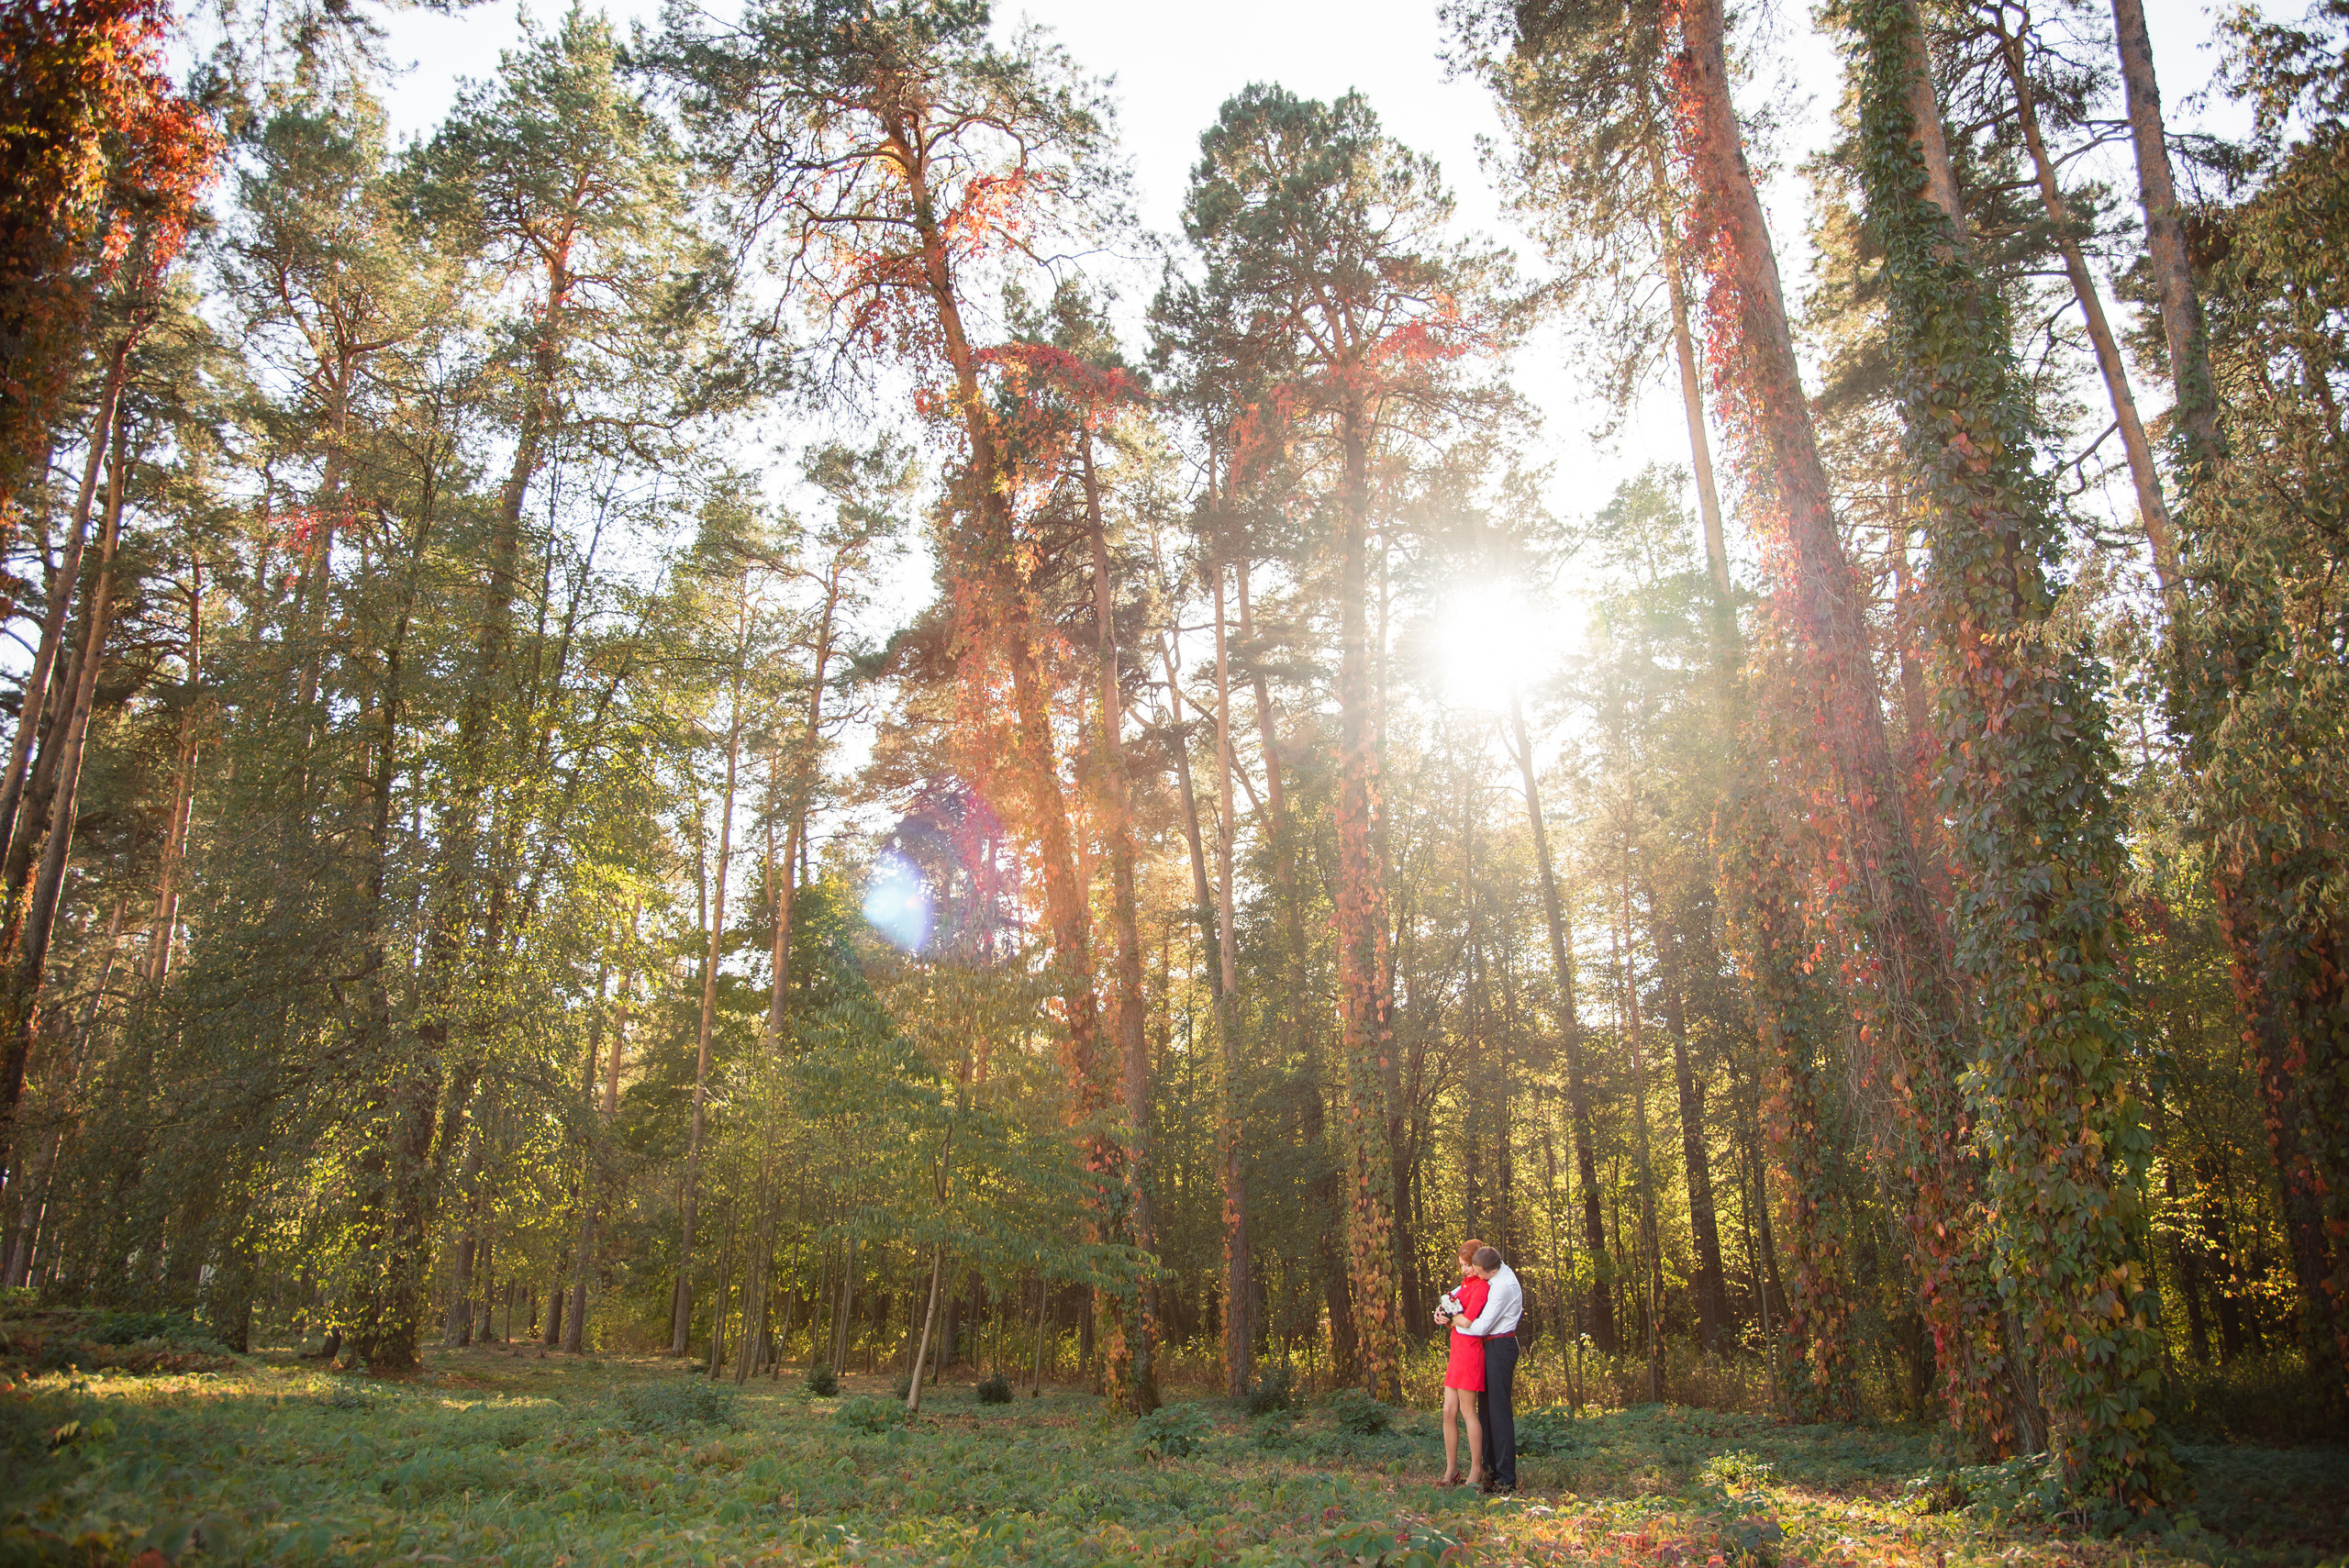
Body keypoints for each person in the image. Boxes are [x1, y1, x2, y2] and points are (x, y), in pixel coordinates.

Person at [1457, 1244, 1521, 1494]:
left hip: (1501, 1347)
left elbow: (1482, 1326)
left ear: (1491, 1271)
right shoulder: (1492, 1274)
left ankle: (1506, 1478)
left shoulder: (1503, 1287)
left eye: (1479, 1273)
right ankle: (1491, 1469)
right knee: (1485, 1410)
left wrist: (1456, 1323)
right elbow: (1465, 1288)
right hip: (1488, 1348)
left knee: (1499, 1412)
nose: (1476, 1276)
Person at [1431, 1239, 1487, 1486]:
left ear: (1478, 1263)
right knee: (1448, 1411)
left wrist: (1450, 1320)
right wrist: (1439, 1314)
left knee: (1467, 1411)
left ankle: (1477, 1469)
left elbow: (1469, 1321)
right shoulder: (1463, 1286)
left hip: (1471, 1352)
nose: (1465, 1269)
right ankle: (1451, 1469)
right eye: (1462, 1264)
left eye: (1469, 1264)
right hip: (1456, 1352)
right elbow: (1448, 1305)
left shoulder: (1482, 1287)